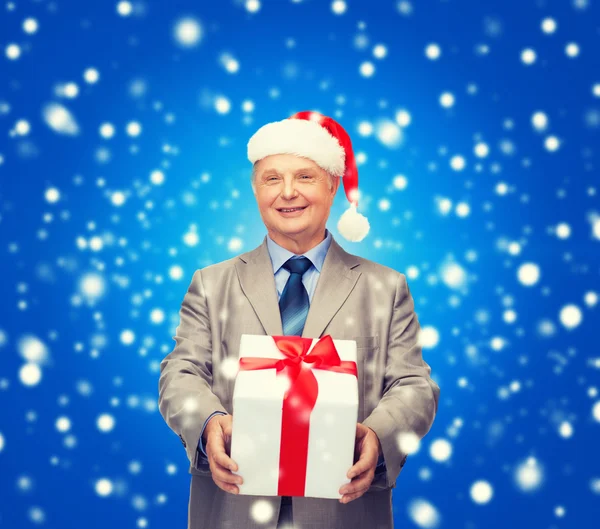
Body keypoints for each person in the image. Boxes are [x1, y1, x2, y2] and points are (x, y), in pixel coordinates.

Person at [158, 111, 440, 529]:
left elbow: (414, 385)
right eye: (272, 178)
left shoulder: (385, 286)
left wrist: (378, 435)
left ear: (332, 186)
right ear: (255, 189)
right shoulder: (211, 284)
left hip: (344, 510)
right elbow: (179, 373)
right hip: (234, 507)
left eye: (305, 177)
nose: (287, 192)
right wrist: (208, 423)